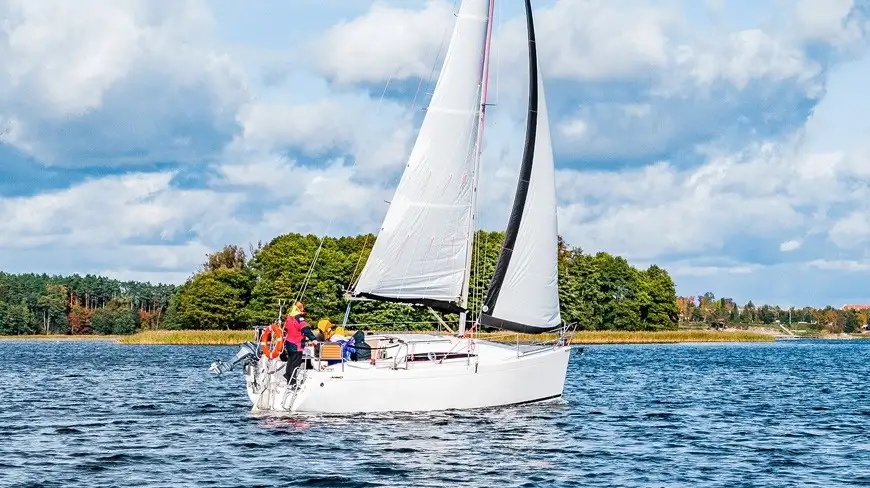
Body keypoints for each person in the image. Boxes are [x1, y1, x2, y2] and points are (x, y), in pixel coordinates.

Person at [283, 301, 318, 386]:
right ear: (300, 309)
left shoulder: (289, 318)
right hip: (296, 344)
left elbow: (287, 329)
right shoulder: (299, 318)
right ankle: (292, 382)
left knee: (290, 361)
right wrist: (313, 338)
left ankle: (287, 376)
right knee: (296, 363)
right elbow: (305, 329)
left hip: (289, 343)